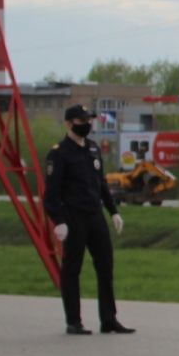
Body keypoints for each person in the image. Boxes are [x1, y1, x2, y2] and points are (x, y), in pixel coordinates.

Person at [44, 104, 135, 336]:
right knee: (72, 269)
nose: (87, 124)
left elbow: (101, 184)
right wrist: (59, 221)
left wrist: (113, 211)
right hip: (74, 218)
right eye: (81, 121)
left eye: (89, 120)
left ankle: (109, 318)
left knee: (105, 265)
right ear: (69, 124)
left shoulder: (93, 149)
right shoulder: (59, 153)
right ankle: (73, 320)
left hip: (95, 216)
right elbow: (51, 194)